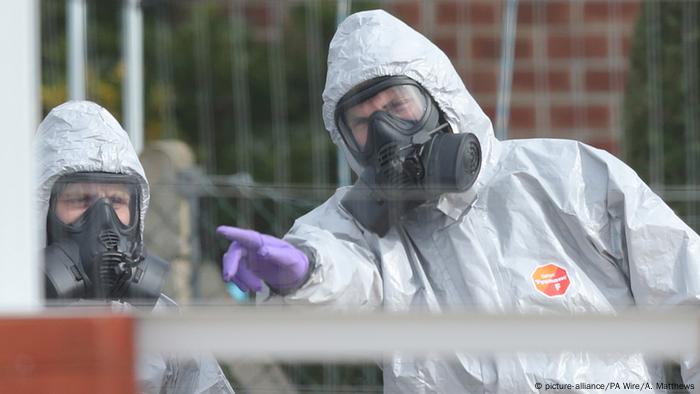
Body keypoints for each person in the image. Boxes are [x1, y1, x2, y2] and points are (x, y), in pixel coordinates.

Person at [217, 10, 700, 393]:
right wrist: (305, 271)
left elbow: (687, 290)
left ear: (441, 98)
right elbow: (336, 264)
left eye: (397, 106)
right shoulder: (366, 230)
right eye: (363, 123)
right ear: (346, 141)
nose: (386, 134)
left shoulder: (568, 177)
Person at [36, 100, 234, 394]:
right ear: (41, 210)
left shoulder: (163, 325)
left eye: (117, 202)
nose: (104, 220)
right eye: (80, 200)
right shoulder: (13, 311)